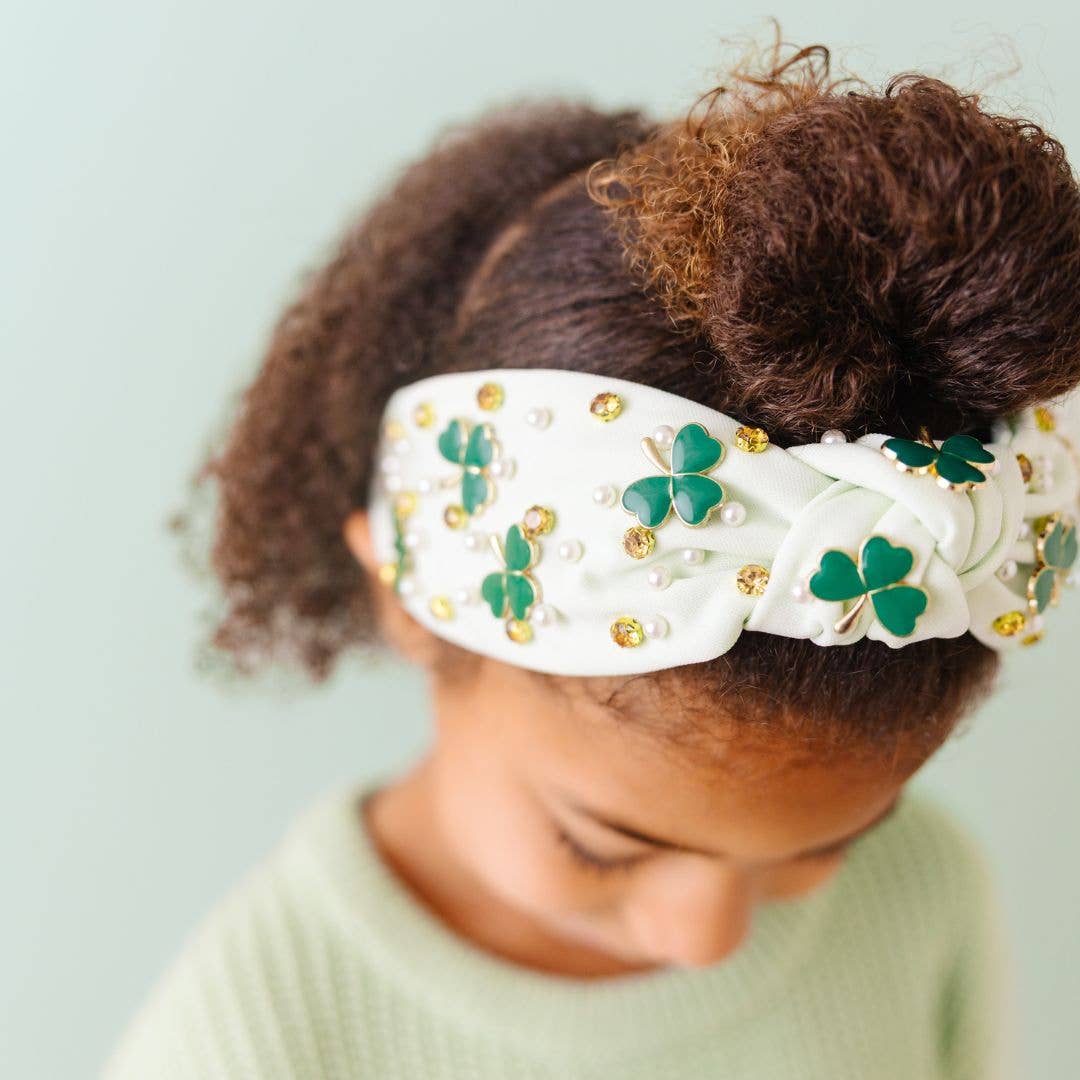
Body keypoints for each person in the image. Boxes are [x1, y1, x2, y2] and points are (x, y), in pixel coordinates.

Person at [105, 39, 1080, 1080]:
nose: (707, 939)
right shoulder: (253, 1039)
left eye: (826, 849)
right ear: (409, 603)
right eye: (602, 846)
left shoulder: (925, 898)